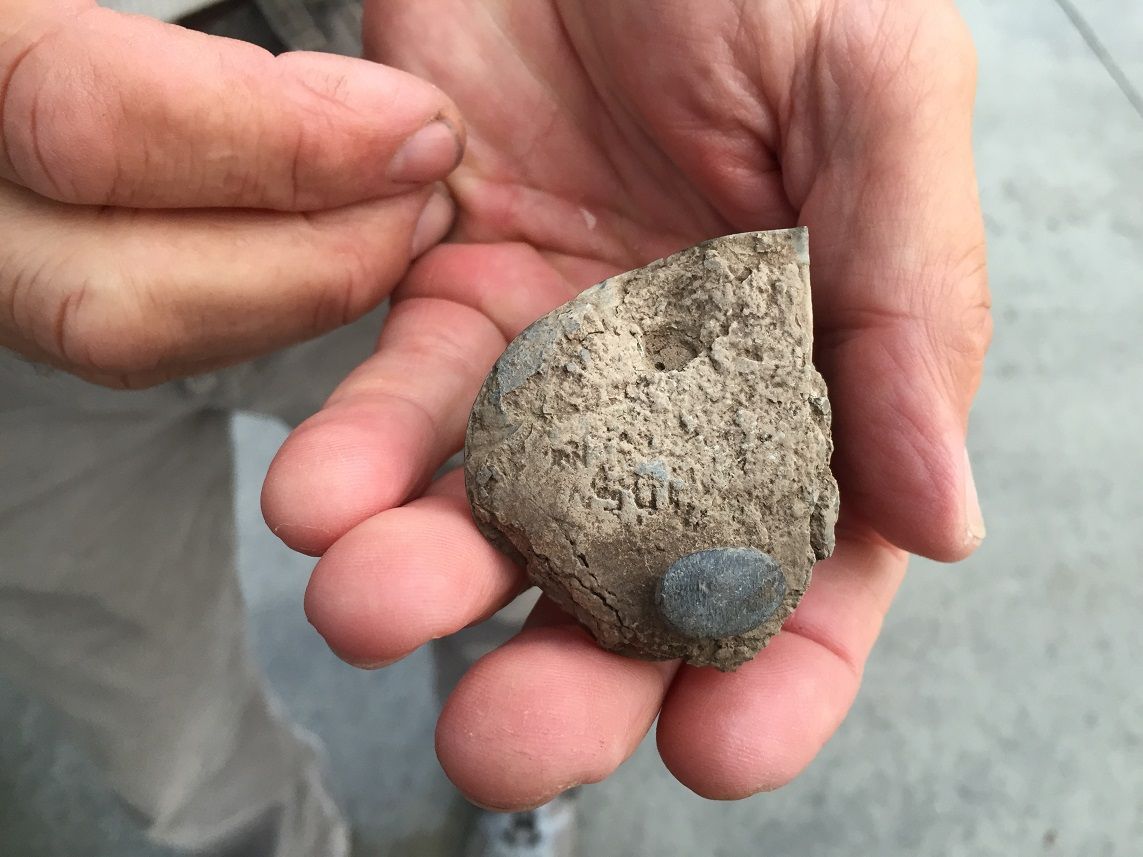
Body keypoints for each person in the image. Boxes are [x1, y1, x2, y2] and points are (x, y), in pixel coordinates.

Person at [0, 0, 992, 855]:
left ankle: (522, 796)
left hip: (418, 132)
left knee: (472, 576)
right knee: (138, 681)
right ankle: (251, 832)